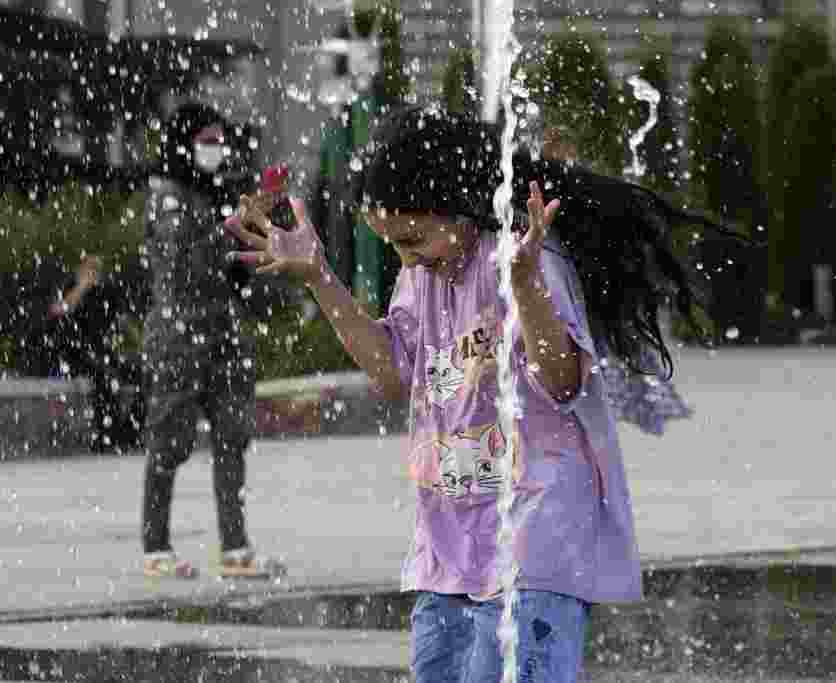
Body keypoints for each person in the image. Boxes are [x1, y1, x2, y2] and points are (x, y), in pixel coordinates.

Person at [226, 105, 735, 681]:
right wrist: (319, 277)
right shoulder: (421, 273)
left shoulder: (525, 260)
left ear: (460, 209)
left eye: (413, 239)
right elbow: (397, 375)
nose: (405, 258)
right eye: (392, 245)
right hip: (450, 544)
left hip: (535, 539)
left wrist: (526, 289)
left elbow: (561, 381)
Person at [140, 102, 285, 580]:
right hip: (180, 334)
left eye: (220, 141)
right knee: (169, 438)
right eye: (206, 141)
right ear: (185, 145)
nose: (215, 150)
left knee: (232, 434)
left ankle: (235, 547)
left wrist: (256, 217)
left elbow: (244, 260)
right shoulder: (168, 197)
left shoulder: (219, 192)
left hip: (223, 332)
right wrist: (235, 224)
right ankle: (155, 546)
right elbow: (191, 263)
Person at [13, 253, 147, 453]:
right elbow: (58, 311)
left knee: (144, 376)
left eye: (97, 269)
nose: (94, 273)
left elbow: (123, 320)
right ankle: (106, 437)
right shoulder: (70, 286)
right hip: (72, 353)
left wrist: (142, 344)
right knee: (103, 378)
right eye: (89, 268)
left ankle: (129, 434)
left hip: (100, 352)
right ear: (80, 269)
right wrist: (82, 286)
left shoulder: (106, 291)